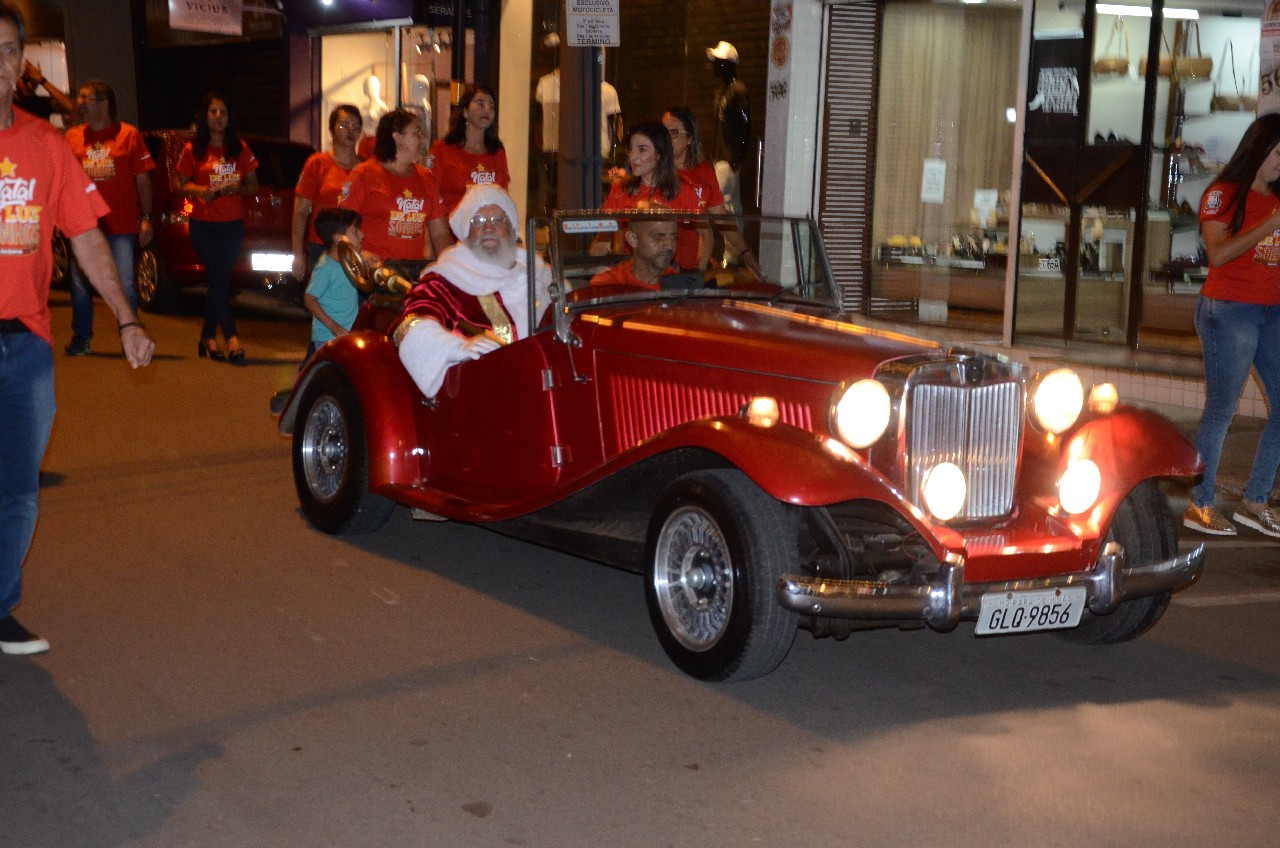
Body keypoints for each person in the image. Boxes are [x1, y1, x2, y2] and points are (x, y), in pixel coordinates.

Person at [0, 2, 155, 656]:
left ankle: (0, 606)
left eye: (8, 51)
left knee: (17, 492)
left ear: (21, 65)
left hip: (27, 344)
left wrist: (127, 317)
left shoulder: (44, 145)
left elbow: (87, 237)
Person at [1183, 113, 1280, 538]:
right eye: (1278, 153)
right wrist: (1269, 225)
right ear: (1257, 150)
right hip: (1229, 309)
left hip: (1270, 310)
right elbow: (1218, 255)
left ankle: (1255, 501)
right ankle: (1199, 504)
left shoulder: (1276, 197)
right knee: (1222, 411)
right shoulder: (1222, 194)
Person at [395, 185, 551, 398]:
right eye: (478, 221)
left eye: (497, 220)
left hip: (545, 388)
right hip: (479, 396)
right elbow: (410, 324)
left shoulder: (539, 272)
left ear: (512, 228)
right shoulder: (445, 279)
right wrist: (457, 348)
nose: (488, 227)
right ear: (466, 232)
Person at [63, 78, 155, 356]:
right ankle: (82, 337)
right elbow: (64, 181)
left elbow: (143, 180)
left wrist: (146, 216)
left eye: (85, 98)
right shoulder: (73, 137)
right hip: (83, 226)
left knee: (125, 283)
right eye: (78, 98)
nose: (80, 104)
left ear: (104, 103)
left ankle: (131, 335)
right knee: (80, 286)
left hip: (121, 225)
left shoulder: (129, 135)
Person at [175, 92, 259, 365]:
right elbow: (179, 184)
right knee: (217, 279)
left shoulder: (240, 148)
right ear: (204, 117)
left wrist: (238, 187)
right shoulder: (193, 149)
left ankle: (207, 336)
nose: (218, 117)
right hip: (204, 225)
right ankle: (231, 336)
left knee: (219, 283)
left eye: (223, 112)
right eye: (213, 112)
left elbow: (254, 185)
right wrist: (201, 190)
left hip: (232, 225)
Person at [340, 109, 450, 283]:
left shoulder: (427, 178)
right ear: (397, 138)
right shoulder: (364, 174)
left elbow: (440, 233)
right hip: (373, 273)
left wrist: (447, 266)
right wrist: (360, 254)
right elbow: (342, 225)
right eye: (416, 133)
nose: (422, 138)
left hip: (413, 274)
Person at [663, 107, 764, 279]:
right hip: (658, 265)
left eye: (673, 132)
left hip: (691, 267)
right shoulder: (655, 171)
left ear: (690, 138)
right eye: (662, 132)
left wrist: (745, 252)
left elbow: (721, 218)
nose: (665, 139)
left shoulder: (703, 172)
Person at [602, 122, 707, 271]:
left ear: (660, 154)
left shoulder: (685, 191)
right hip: (631, 277)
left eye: (642, 150)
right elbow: (602, 238)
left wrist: (697, 275)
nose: (633, 157)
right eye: (631, 149)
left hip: (674, 278)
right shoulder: (620, 190)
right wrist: (594, 270)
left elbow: (706, 236)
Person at [292, 104, 363, 280]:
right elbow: (300, 212)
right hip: (322, 245)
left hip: (356, 247)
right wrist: (298, 255)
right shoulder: (317, 164)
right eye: (344, 125)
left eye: (355, 127)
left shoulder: (366, 169)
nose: (350, 131)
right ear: (331, 130)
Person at [428, 85, 510, 218]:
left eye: (491, 106)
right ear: (465, 111)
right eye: (480, 104)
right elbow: (430, 195)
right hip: (450, 232)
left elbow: (504, 198)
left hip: (487, 232)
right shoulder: (442, 150)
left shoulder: (497, 152)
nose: (487, 109)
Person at [303, 207, 362, 361]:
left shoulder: (348, 261)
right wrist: (334, 328)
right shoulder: (325, 267)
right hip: (329, 336)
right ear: (338, 237)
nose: (362, 235)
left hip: (345, 333)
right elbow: (309, 298)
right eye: (355, 231)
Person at [707, 41, 750, 216]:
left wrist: (738, 155)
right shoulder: (720, 92)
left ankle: (732, 243)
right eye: (715, 62)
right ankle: (736, 242)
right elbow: (717, 125)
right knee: (730, 201)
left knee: (720, 201)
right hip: (721, 155)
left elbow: (745, 124)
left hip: (729, 155)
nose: (716, 66)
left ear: (730, 65)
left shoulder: (737, 90)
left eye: (720, 62)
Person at [590, 216, 679, 291]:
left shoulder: (679, 285)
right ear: (633, 239)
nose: (669, 246)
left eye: (673, 237)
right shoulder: (609, 285)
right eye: (658, 237)